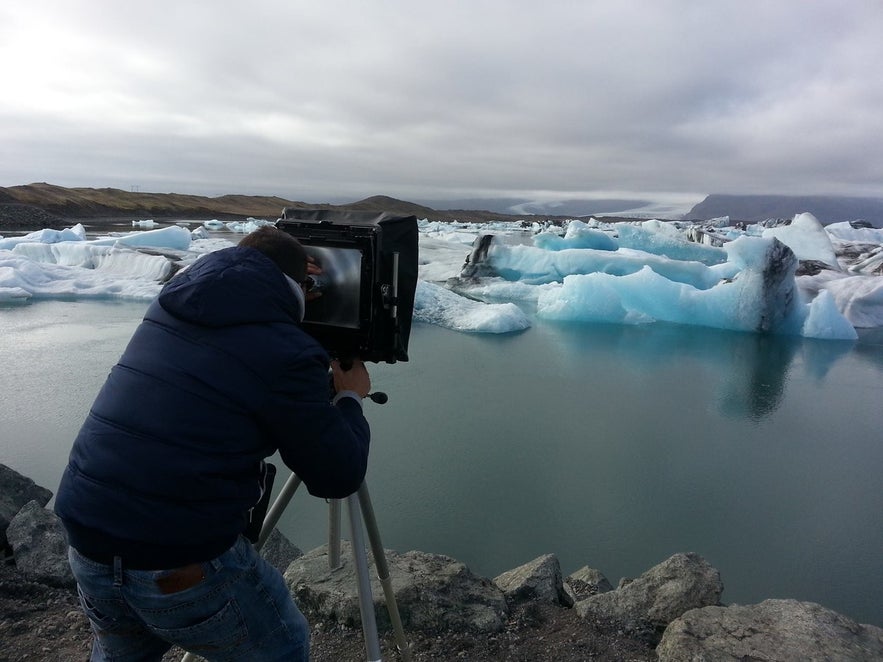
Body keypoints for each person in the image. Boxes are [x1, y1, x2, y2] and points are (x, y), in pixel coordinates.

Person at [55, 226, 371, 661]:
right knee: (283, 647)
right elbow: (339, 474)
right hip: (179, 557)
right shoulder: (286, 353)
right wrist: (350, 398)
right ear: (300, 285)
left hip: (86, 534)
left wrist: (287, 292)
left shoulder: (168, 308)